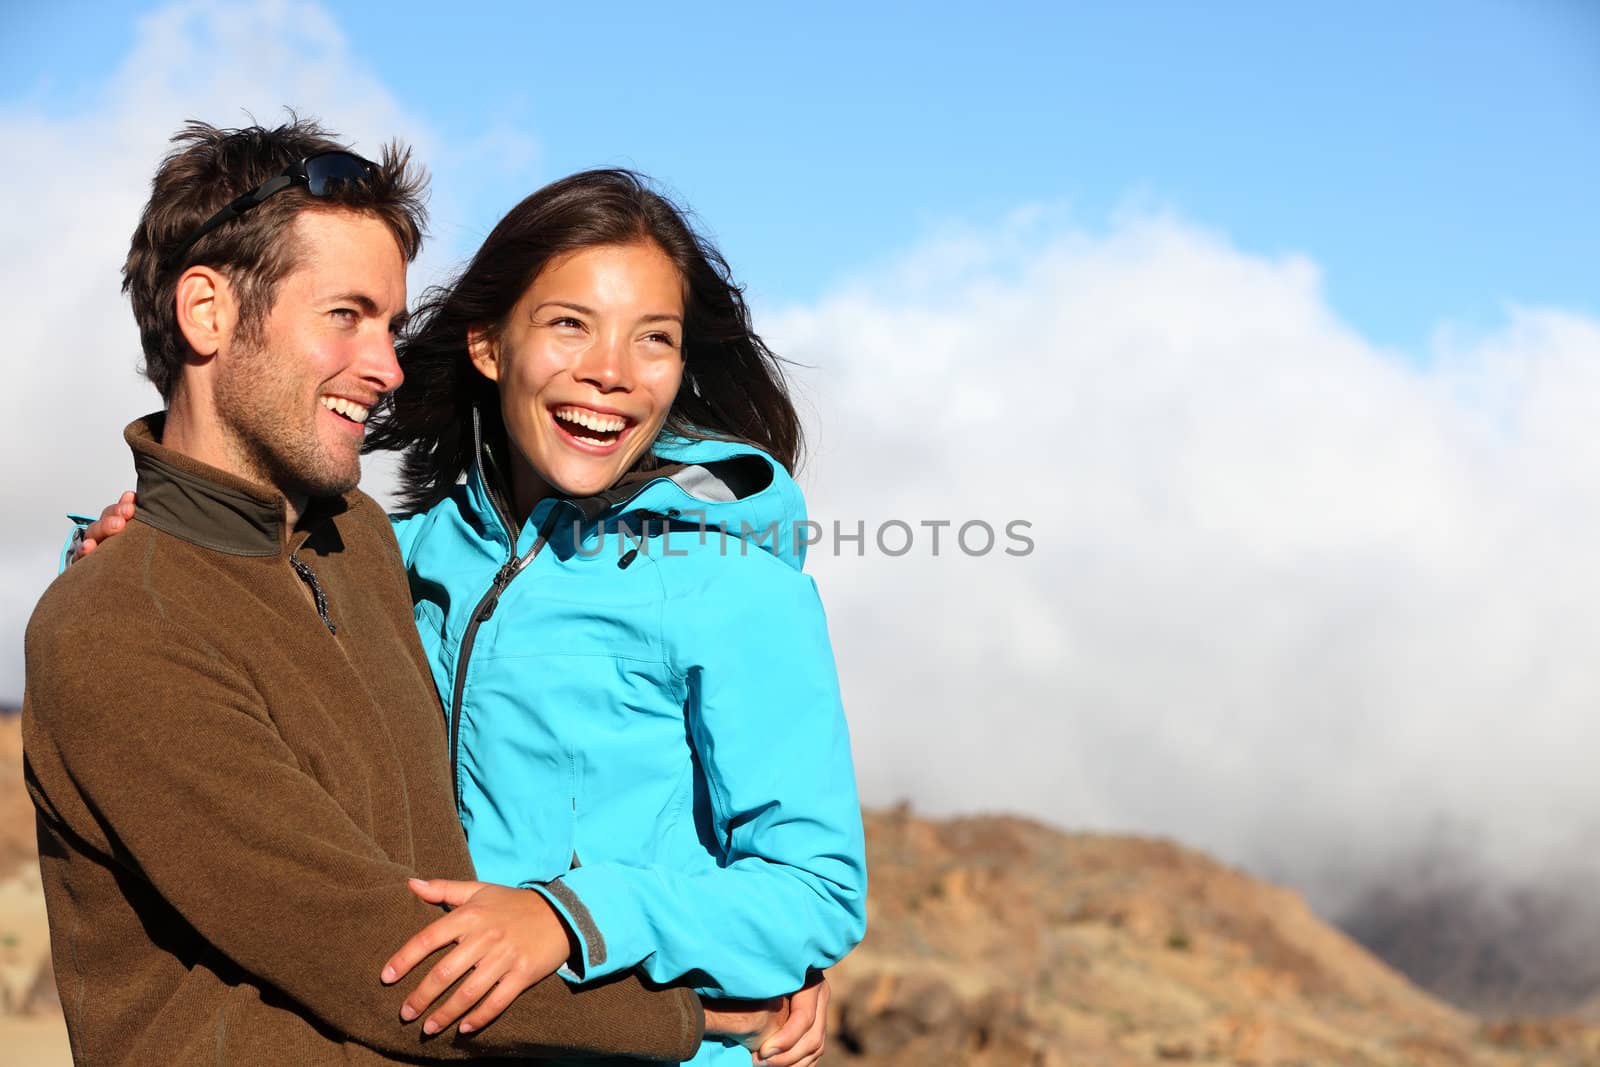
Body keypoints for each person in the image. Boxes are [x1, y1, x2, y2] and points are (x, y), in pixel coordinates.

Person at [30, 118, 816, 1066]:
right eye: (346, 315)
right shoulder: (120, 625)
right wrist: (697, 1013)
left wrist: (751, 940)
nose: (388, 365)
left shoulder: (357, 542)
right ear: (205, 312)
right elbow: (379, 957)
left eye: (392, 326)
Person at [362, 169, 868, 1066]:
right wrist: (129, 530)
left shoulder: (735, 584)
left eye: (654, 339)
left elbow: (816, 895)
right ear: (488, 343)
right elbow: (209, 587)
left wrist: (571, 918)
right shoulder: (402, 554)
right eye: (570, 323)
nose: (612, 372)